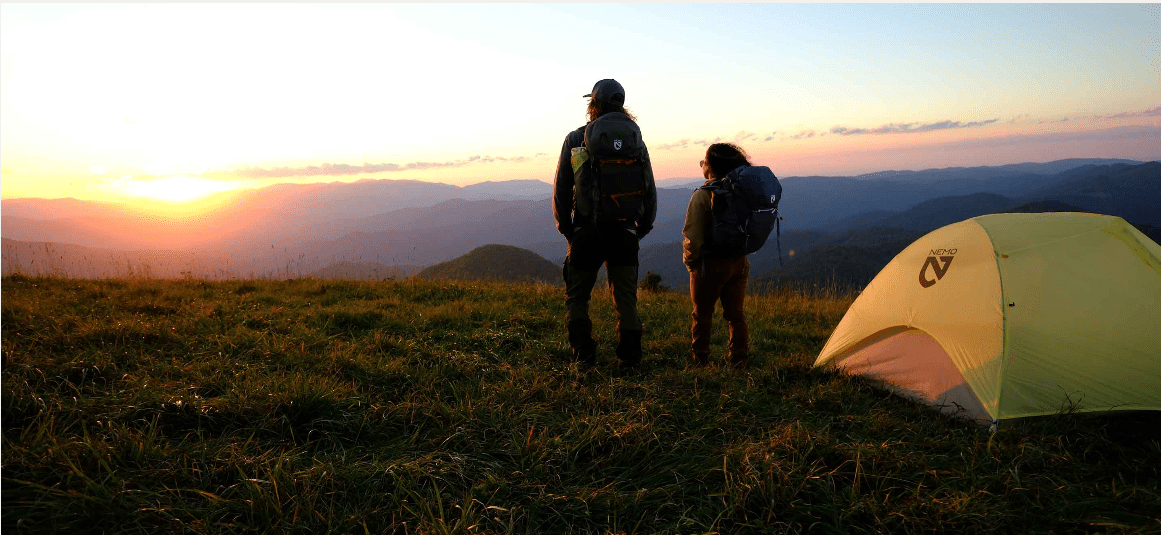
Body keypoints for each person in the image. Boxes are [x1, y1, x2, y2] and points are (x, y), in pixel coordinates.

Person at [553, 79, 658, 370]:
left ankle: (584, 357)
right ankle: (630, 360)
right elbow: (649, 188)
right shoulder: (635, 139)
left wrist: (568, 229)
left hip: (586, 230)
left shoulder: (577, 139)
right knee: (626, 300)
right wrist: (641, 227)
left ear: (593, 104)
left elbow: (562, 189)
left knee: (577, 297)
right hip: (625, 230)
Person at [682, 143, 755, 369]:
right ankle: (739, 359)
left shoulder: (702, 196)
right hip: (739, 262)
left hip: (710, 264)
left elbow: (693, 237)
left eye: (704, 162)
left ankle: (701, 359)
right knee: (736, 315)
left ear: (711, 167)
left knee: (702, 314)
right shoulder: (742, 192)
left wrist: (690, 262)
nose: (702, 165)